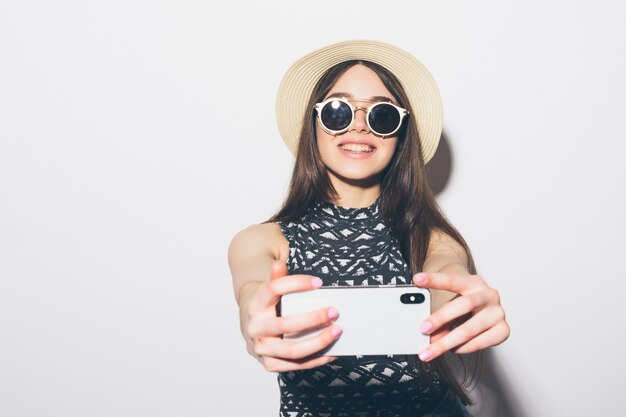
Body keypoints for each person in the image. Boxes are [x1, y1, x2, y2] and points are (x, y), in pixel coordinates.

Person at [228, 40, 510, 416]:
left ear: (400, 134)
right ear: (313, 125)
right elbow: (252, 293)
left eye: (381, 115)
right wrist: (255, 319)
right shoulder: (261, 241)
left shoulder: (433, 239)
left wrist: (464, 304)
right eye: (338, 111)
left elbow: (445, 274)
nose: (359, 125)